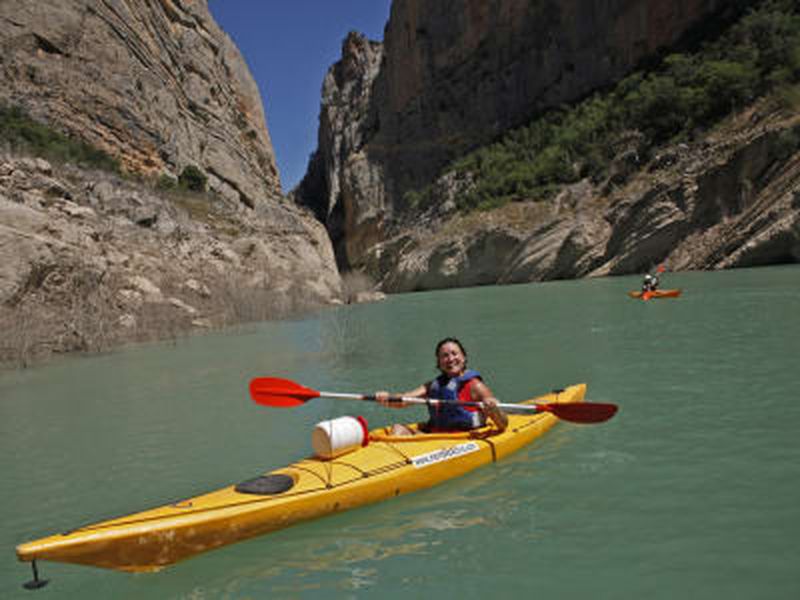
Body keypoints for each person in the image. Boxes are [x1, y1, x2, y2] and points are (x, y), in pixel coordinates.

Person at [375, 337, 508, 435]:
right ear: (439, 363)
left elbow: (503, 424)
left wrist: (494, 409)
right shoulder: (432, 386)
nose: (450, 359)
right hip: (435, 437)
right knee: (398, 429)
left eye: (454, 354)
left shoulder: (476, 386)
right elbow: (403, 400)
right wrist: (387, 398)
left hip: (464, 439)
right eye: (444, 356)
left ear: (464, 357)